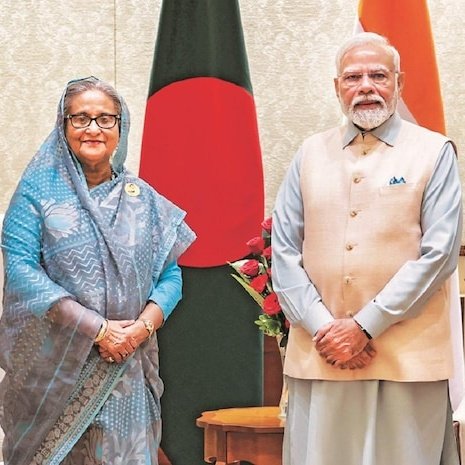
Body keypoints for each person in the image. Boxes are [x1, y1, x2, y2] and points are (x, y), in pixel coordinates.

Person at [272, 32, 462, 465]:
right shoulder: (308, 153)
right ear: (336, 87)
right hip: (322, 356)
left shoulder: (434, 152)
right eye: (353, 77)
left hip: (407, 359)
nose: (366, 87)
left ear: (399, 83)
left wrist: (364, 327)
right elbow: (283, 250)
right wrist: (325, 328)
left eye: (379, 76)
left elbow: (439, 255)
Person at [0, 76, 195, 465]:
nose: (93, 128)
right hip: (56, 373)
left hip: (127, 367)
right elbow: (21, 270)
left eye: (106, 119)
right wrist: (98, 329)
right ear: (63, 126)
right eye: (81, 118)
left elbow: (170, 276)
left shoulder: (144, 200)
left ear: (121, 128)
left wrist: (141, 329)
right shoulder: (37, 196)